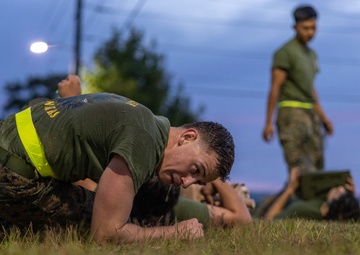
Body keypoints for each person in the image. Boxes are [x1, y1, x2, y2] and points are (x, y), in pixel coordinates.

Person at [0, 76, 235, 243]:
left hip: (8, 153)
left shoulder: (140, 115)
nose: (186, 183)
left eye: (197, 181)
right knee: (100, 215)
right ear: (187, 137)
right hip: (14, 176)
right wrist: (174, 232)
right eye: (196, 169)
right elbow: (105, 234)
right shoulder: (144, 142)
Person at [262, 5, 334, 174]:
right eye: (305, 28)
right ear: (295, 27)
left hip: (311, 115)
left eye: (313, 28)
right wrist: (268, 123)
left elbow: (310, 89)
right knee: (300, 168)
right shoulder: (285, 52)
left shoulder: (311, 55)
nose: (310, 32)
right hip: (291, 114)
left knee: (317, 167)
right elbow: (275, 88)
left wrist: (324, 119)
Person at [130, 177, 252, 228]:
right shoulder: (166, 200)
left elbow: (241, 218)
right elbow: (241, 217)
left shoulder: (164, 198)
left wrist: (212, 176)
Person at [264, 168, 360, 221]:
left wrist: (289, 190)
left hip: (265, 208)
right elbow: (344, 212)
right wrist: (350, 198)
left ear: (327, 209)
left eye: (336, 192)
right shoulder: (326, 205)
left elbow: (268, 220)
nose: (340, 188)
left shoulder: (303, 211)